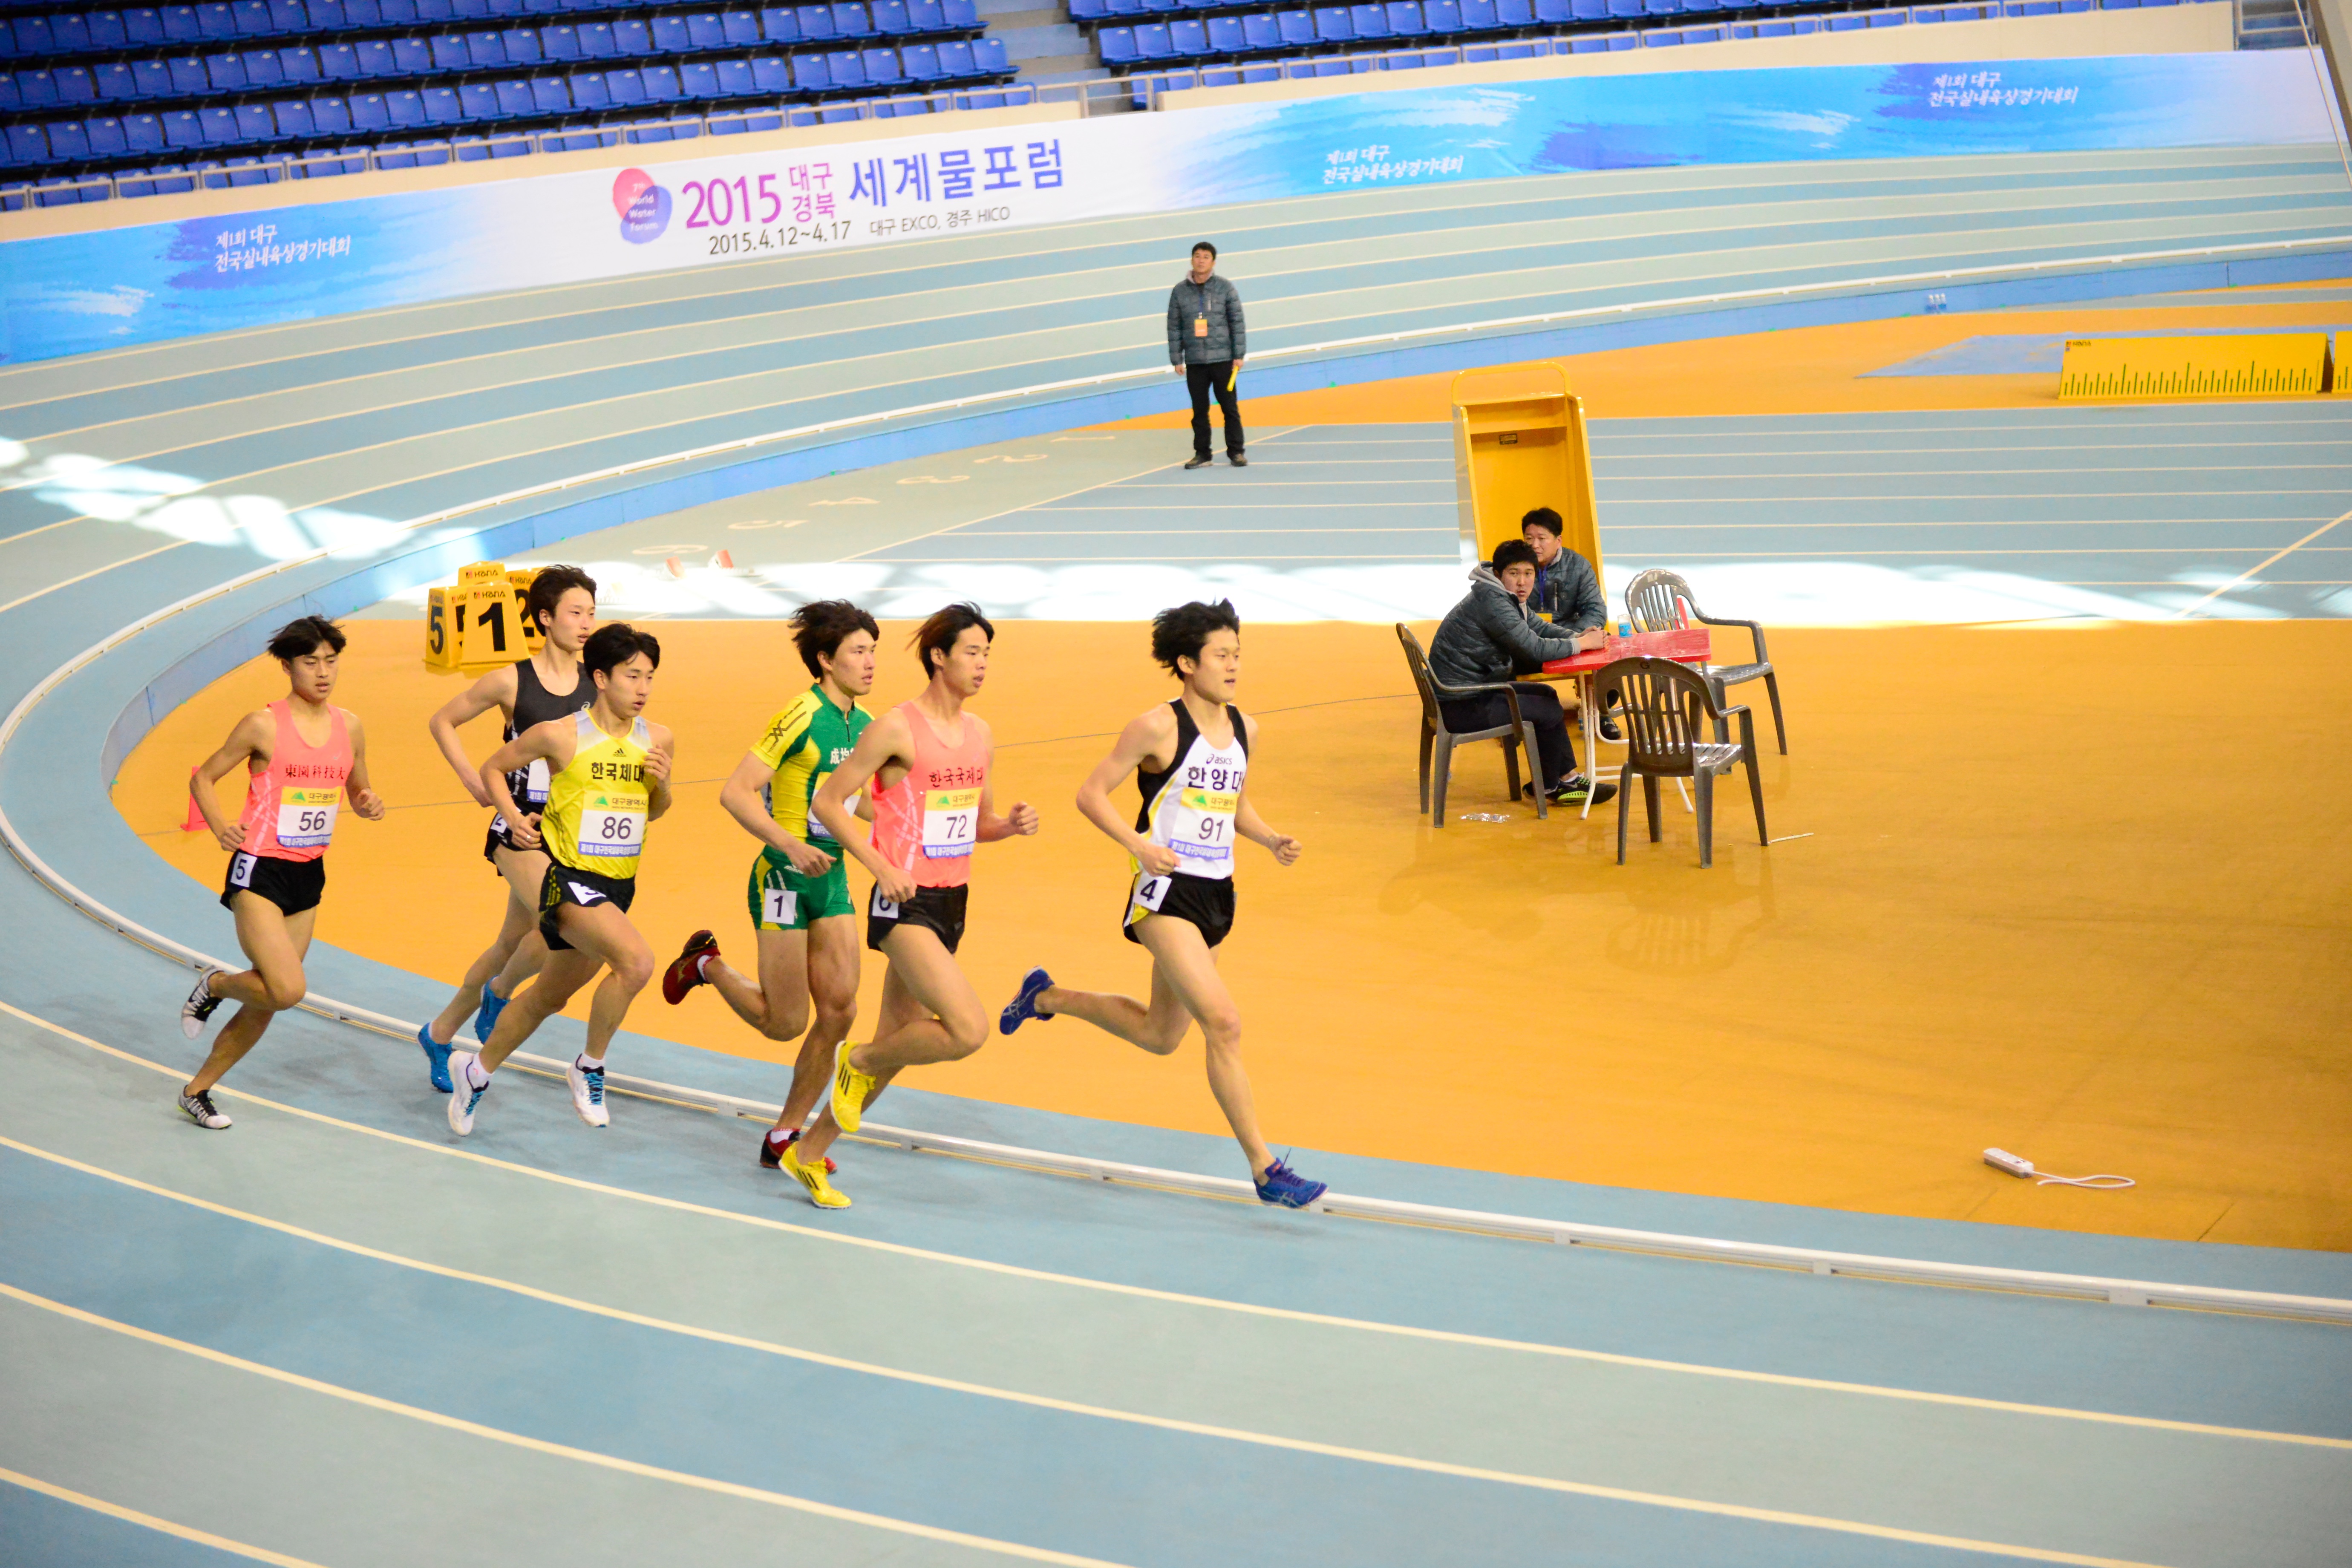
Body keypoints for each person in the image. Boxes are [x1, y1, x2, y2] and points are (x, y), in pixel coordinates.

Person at [997, 601, 1326, 1208]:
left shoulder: (1247, 730)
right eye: (1221, 656)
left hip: (1218, 892)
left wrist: (1270, 837)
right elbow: (1090, 794)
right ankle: (1264, 1168)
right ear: (1186, 662)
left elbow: (1234, 804)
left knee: (1160, 1035)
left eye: (1237, 655)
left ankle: (1045, 996)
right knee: (1223, 1023)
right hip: (1163, 894)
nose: (1233, 666)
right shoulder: (1155, 728)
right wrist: (1138, 845)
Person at [790, 603, 1040, 1199]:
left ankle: (809, 1152)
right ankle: (856, 1062)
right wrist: (878, 863)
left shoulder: (980, 735)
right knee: (965, 1029)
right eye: (972, 652)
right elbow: (829, 802)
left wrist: (1011, 825)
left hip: (953, 902)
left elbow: (976, 825)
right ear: (939, 656)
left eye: (987, 654)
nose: (982, 665)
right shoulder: (898, 728)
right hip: (903, 902)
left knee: (899, 1042)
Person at [660, 600, 879, 1208]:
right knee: (785, 1024)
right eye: (858, 652)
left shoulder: (867, 727)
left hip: (831, 882)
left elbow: (855, 802)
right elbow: (736, 792)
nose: (869, 663)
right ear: (826, 660)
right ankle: (706, 965)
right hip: (783, 876)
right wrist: (787, 843)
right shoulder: (799, 715)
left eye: (873, 651)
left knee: (840, 1011)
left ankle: (785, 1135)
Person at [447, 623, 674, 1138]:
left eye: (650, 678)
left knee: (548, 998)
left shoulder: (658, 739)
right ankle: (589, 1066)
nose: (642, 688)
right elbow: (494, 767)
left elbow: (655, 812)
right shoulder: (560, 733)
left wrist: (660, 785)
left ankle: (475, 1071)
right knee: (636, 962)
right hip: (567, 879)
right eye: (632, 676)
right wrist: (513, 816)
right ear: (600, 676)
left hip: (618, 885)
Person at [176, 616, 386, 1129]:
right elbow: (203, 776)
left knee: (270, 999)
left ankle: (197, 1090)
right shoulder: (263, 724)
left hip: (309, 875)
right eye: (310, 662)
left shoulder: (350, 725)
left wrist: (366, 801)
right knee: (288, 989)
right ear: (289, 666)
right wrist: (222, 825)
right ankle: (218, 984)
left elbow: (357, 789)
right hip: (259, 872)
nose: (322, 672)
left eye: (331, 661)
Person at [415, 565, 598, 1094]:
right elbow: (442, 721)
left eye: (591, 613)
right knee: (561, 917)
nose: (586, 623)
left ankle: (439, 1031)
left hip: (570, 828)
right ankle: (499, 993)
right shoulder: (510, 679)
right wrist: (478, 783)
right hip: (517, 825)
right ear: (545, 617)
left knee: (512, 941)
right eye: (575, 613)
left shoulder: (596, 683)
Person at [1427, 539, 1617, 807]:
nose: (1522, 582)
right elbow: (1534, 648)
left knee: (1547, 695)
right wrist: (1583, 645)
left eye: (1528, 574)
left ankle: (1565, 779)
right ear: (1498, 575)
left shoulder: (1498, 595)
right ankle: (1553, 785)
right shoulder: (1493, 603)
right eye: (1514, 574)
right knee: (1548, 711)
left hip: (1473, 691)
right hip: (1460, 704)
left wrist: (1578, 636)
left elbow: (1538, 628)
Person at [1519, 509, 1619, 743]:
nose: (1535, 545)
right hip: (1531, 639)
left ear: (1558, 541)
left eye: (1542, 539)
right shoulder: (1517, 567)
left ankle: (1601, 712)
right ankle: (1519, 716)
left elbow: (1595, 610)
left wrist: (1579, 638)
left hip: (1572, 634)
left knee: (1605, 643)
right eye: (1529, 539)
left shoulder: (1578, 566)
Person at [1167, 241, 1247, 470]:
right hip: (1195, 362)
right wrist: (1177, 358)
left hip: (1223, 360)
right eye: (1197, 256)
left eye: (1206, 257)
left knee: (1229, 408)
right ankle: (1203, 454)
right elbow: (1174, 326)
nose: (1201, 260)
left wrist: (1238, 354)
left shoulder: (1225, 288)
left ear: (1213, 262)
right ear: (1192, 260)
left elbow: (1237, 323)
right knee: (1199, 410)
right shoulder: (1179, 291)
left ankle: (1236, 452)